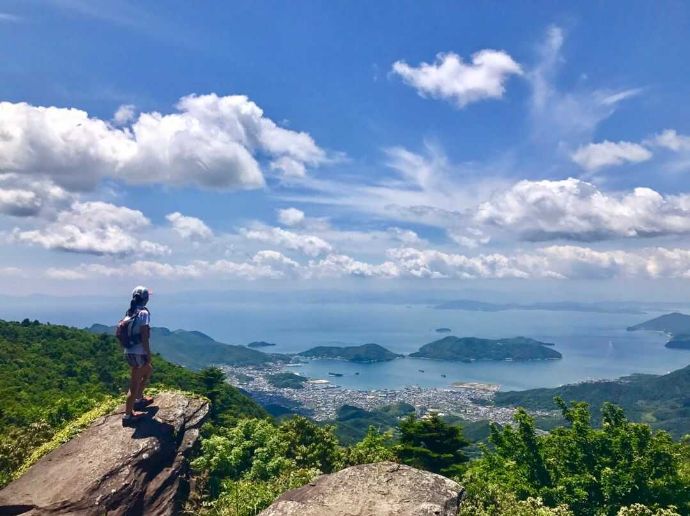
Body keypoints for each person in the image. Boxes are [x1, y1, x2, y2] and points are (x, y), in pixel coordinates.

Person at [122, 285, 155, 426]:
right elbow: (144, 336)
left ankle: (139, 399)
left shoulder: (130, 312)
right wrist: (148, 353)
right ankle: (128, 416)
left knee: (148, 370)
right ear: (146, 298)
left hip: (129, 351)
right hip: (138, 352)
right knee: (134, 384)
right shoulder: (143, 313)